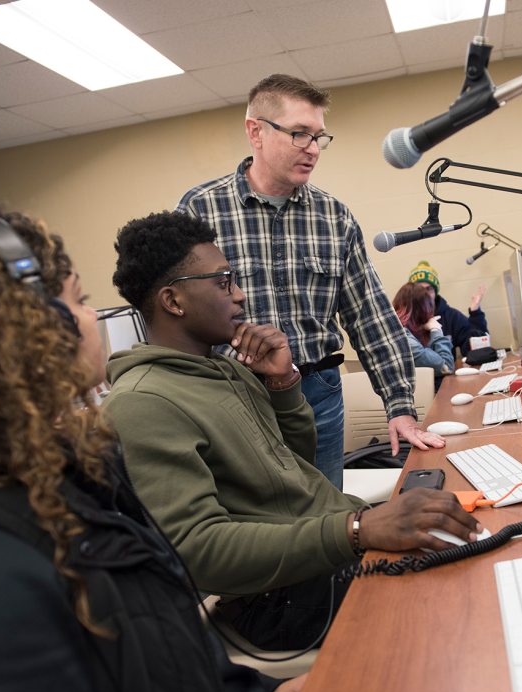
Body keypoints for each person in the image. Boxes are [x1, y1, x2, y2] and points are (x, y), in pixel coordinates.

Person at [0, 206, 300, 692]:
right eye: (79, 301)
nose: (92, 318)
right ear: (35, 329)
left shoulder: (66, 473)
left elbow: (157, 654)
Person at [103, 211, 481, 651]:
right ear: (173, 300)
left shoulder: (224, 368)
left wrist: (283, 383)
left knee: (472, 549)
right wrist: (358, 529)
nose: (240, 296)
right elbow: (198, 551)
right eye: (223, 283)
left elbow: (293, 466)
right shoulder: (143, 402)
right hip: (277, 600)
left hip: (321, 558)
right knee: (462, 611)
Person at [176, 74, 441, 490]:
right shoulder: (199, 209)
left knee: (329, 521)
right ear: (255, 132)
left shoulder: (333, 217)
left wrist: (400, 406)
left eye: (320, 137)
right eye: (300, 134)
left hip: (316, 392)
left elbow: (369, 316)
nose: (314, 150)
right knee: (257, 530)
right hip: (231, 398)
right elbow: (178, 318)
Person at [408, 260, 489, 356]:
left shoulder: (451, 316)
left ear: (435, 292)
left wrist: (475, 313)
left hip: (447, 369)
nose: (424, 294)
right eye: (419, 289)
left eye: (429, 289)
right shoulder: (404, 319)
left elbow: (476, 350)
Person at [392, 281, 455, 391]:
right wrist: (436, 330)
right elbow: (447, 366)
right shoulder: (406, 341)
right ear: (423, 310)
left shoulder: (396, 332)